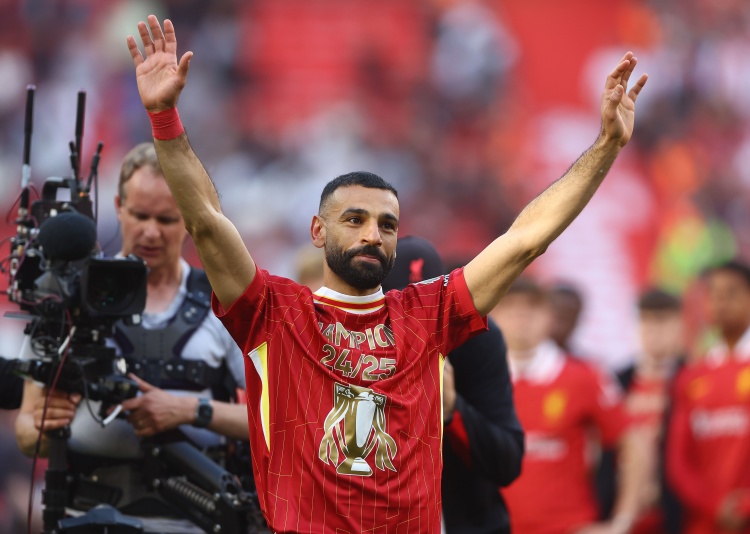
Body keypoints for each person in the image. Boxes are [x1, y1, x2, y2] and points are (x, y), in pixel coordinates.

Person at [125, 14, 647, 533]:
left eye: (387, 224)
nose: (373, 234)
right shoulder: (276, 314)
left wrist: (605, 147)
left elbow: (526, 239)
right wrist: (164, 117)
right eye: (354, 220)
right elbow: (206, 223)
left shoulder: (427, 315)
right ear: (317, 231)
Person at [14, 143, 250, 533]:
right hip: (87, 518)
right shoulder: (68, 297)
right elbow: (27, 429)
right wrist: (40, 429)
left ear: (189, 219)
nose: (151, 232)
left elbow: (277, 420)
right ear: (119, 206)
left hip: (197, 519)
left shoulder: (224, 304)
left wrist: (190, 410)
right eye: (140, 215)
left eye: (167, 219)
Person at [381, 236, 524, 534]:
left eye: (428, 307)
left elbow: (507, 463)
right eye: (402, 308)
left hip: (467, 518)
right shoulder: (353, 338)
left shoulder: (478, 339)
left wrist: (452, 409)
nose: (415, 322)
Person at [491, 278, 641, 534]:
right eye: (510, 306)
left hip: (569, 525)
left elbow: (634, 443)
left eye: (532, 307)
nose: (521, 316)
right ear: (493, 316)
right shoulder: (478, 379)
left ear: (549, 316)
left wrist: (622, 522)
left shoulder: (585, 376)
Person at [666, 260, 750, 534]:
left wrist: (745, 506)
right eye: (713, 294)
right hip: (705, 523)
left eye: (731, 293)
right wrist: (715, 505)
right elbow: (678, 462)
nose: (720, 302)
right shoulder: (691, 376)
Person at [598, 288, 686, 533]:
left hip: (674, 509)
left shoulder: (693, 379)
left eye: (662, 322)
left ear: (680, 326)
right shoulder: (615, 381)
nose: (653, 331)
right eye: (646, 321)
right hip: (619, 506)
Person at [548, 282, 585, 354]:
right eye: (560, 316)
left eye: (571, 318)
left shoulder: (579, 359)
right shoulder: (527, 354)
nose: (563, 326)